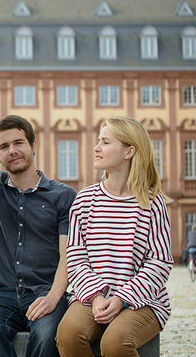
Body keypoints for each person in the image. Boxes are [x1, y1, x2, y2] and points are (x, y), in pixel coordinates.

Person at [56, 117, 173, 357]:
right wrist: (96, 296)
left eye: (105, 142)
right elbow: (76, 256)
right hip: (92, 296)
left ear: (129, 151)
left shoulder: (152, 202)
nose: (96, 148)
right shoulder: (85, 200)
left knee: (115, 343)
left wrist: (123, 298)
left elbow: (160, 261)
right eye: (98, 141)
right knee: (68, 335)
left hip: (143, 300)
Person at [0, 115, 77, 357]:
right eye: (4, 147)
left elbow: (68, 256)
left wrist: (53, 298)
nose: (12, 151)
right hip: (2, 294)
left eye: (18, 143)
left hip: (46, 291)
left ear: (33, 146)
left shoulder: (63, 196)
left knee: (48, 333)